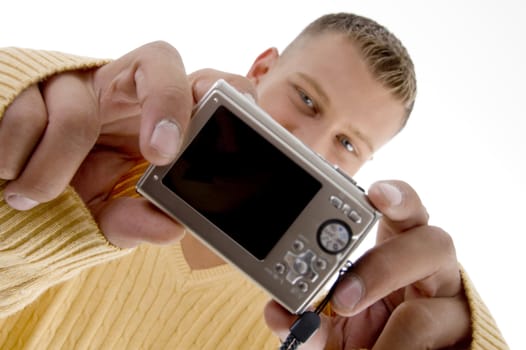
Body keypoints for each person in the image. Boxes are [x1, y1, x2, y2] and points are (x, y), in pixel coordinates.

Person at [0, 12, 507, 350]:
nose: (309, 142)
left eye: (348, 144)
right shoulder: (96, 163)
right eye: (307, 100)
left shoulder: (319, 332)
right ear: (262, 68)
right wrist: (16, 90)